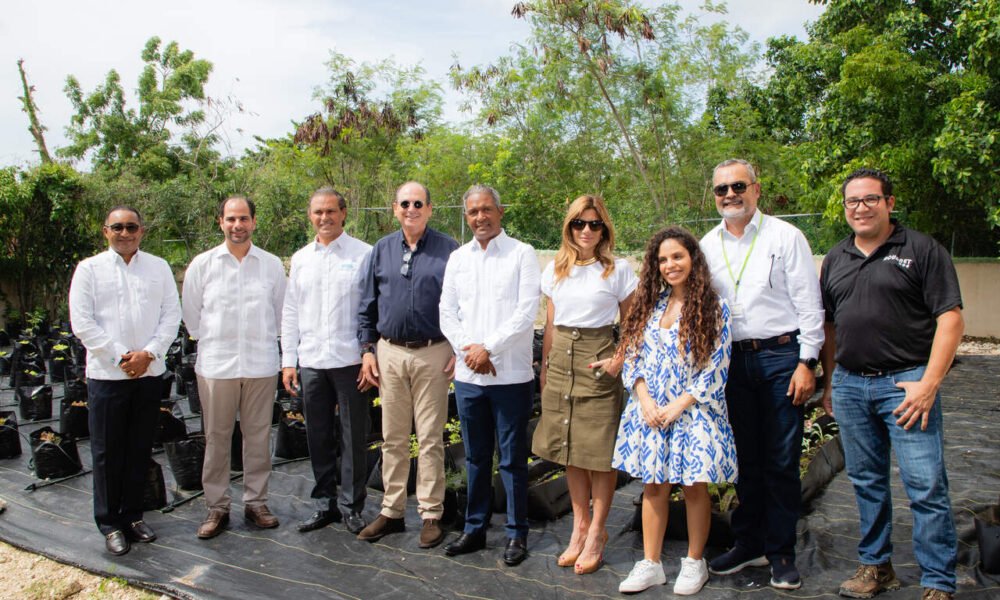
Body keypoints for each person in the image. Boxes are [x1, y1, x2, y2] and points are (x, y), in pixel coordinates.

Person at [820, 168, 963, 600]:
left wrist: (929, 383)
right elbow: (829, 327)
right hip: (849, 385)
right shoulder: (836, 257)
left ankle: (938, 579)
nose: (860, 208)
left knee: (925, 484)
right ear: (844, 208)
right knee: (866, 482)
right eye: (852, 202)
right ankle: (877, 566)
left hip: (906, 386)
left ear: (889, 203)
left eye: (870, 199)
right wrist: (830, 384)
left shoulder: (921, 250)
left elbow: (951, 319)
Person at [701, 158, 824, 589]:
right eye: (721, 189)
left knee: (781, 460)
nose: (729, 195)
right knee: (744, 460)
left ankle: (782, 552)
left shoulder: (785, 237)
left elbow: (810, 305)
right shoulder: (707, 244)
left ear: (756, 189)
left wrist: (807, 363)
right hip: (731, 362)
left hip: (780, 358)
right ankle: (748, 543)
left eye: (738, 186)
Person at [612, 227, 737, 595]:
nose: (670, 265)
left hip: (691, 411)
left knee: (694, 487)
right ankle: (651, 564)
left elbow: (717, 366)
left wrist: (679, 405)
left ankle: (694, 562)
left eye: (678, 257)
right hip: (651, 412)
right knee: (654, 487)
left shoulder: (716, 307)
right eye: (663, 259)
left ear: (693, 259)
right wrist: (646, 400)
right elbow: (632, 356)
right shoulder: (648, 307)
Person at [531, 195, 637, 574]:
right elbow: (551, 323)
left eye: (594, 224)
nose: (587, 231)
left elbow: (634, 321)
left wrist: (620, 359)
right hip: (562, 362)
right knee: (571, 450)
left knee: (598, 452)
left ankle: (597, 531)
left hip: (598, 358)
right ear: (569, 228)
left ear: (604, 229)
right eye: (580, 224)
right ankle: (578, 528)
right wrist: (545, 368)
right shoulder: (556, 270)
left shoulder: (618, 270)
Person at [69, 206, 181, 555]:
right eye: (117, 227)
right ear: (106, 231)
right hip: (107, 376)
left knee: (139, 449)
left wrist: (148, 353)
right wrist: (121, 356)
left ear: (141, 231)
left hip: (148, 375)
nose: (125, 232)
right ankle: (109, 522)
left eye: (131, 226)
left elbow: (171, 315)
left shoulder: (158, 267)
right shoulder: (89, 270)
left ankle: (133, 516)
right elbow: (83, 323)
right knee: (106, 452)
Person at [438, 185, 540, 565]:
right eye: (472, 212)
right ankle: (475, 528)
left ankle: (517, 534)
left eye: (486, 210)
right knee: (476, 458)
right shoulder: (458, 259)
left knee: (512, 459)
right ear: (466, 217)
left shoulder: (522, 254)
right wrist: (470, 350)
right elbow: (447, 311)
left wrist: (489, 349)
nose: (480, 217)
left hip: (510, 376)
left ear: (500, 211)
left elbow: (526, 310)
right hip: (469, 378)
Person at [356, 181, 459, 548]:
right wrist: (367, 349)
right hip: (390, 353)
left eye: (418, 203)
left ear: (430, 209)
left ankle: (431, 514)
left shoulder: (449, 250)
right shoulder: (381, 250)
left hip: (435, 351)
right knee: (393, 437)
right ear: (395, 209)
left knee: (431, 437)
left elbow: (465, 303)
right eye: (405, 203)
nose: (411, 208)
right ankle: (391, 511)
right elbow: (366, 305)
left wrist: (459, 350)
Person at [182, 196, 287, 539]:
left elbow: (281, 314)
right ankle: (217, 506)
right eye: (231, 219)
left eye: (243, 218)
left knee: (257, 437)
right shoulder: (203, 265)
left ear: (254, 222)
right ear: (221, 222)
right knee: (216, 438)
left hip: (260, 365)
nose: (237, 225)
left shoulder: (271, 265)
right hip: (216, 366)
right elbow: (192, 318)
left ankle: (256, 502)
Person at [281, 187, 373, 535]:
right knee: (317, 436)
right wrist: (289, 360)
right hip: (313, 362)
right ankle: (324, 503)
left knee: (353, 436)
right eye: (318, 212)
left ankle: (352, 506)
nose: (324, 218)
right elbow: (291, 312)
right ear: (310, 215)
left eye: (331, 211)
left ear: (343, 213)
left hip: (350, 361)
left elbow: (370, 310)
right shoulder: (301, 258)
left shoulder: (364, 254)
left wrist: (369, 354)